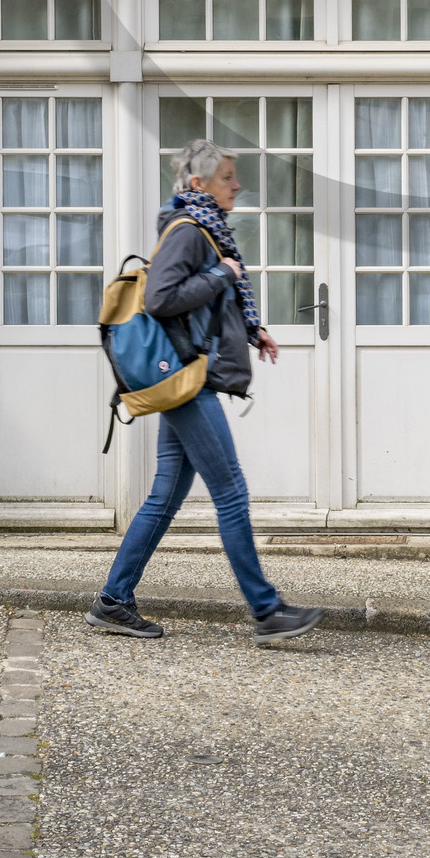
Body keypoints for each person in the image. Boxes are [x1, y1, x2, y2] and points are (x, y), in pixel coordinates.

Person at [87, 138, 323, 647]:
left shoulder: (206, 233)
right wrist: (222, 274)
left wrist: (250, 329)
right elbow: (160, 297)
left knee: (164, 495)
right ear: (199, 184)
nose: (236, 185)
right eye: (227, 177)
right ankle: (266, 610)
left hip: (191, 377)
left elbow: (204, 305)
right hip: (189, 383)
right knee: (231, 493)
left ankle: (113, 600)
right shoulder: (191, 232)